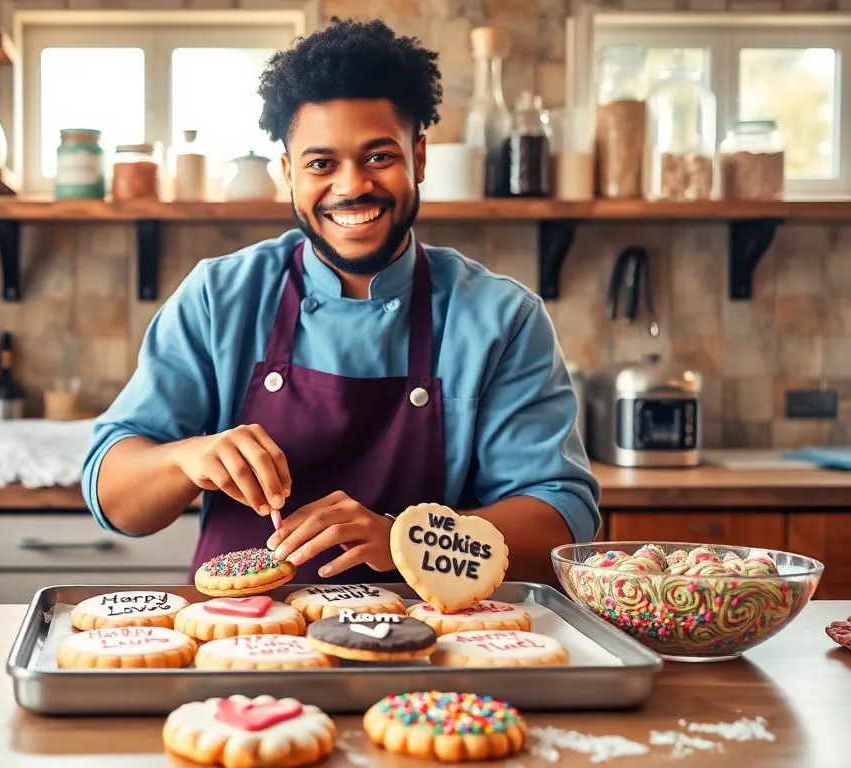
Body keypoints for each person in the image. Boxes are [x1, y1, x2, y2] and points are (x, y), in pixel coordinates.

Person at [80, 19, 600, 586]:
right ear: (287, 174)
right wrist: (187, 458)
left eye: (379, 157)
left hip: (430, 647)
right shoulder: (218, 298)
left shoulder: (502, 318)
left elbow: (557, 527)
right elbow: (117, 496)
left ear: (418, 159)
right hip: (238, 643)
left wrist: (405, 540)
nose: (351, 187)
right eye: (321, 164)